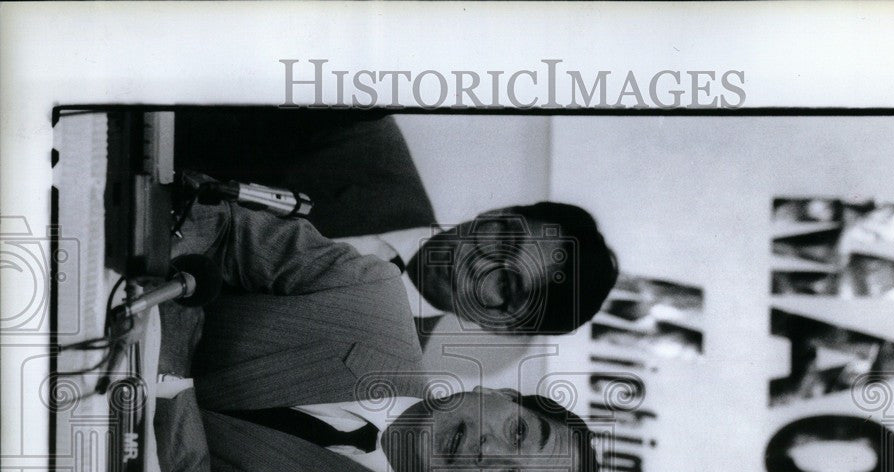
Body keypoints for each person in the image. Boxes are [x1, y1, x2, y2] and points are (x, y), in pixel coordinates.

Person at [146, 199, 599, 472]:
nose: (490, 451)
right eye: (519, 431)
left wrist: (170, 372)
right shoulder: (368, 293)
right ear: (499, 394)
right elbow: (214, 223)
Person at [174, 109, 619, 340]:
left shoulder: (382, 372)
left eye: (505, 283)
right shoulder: (362, 137)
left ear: (504, 327)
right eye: (503, 236)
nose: (474, 259)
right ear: (494, 213)